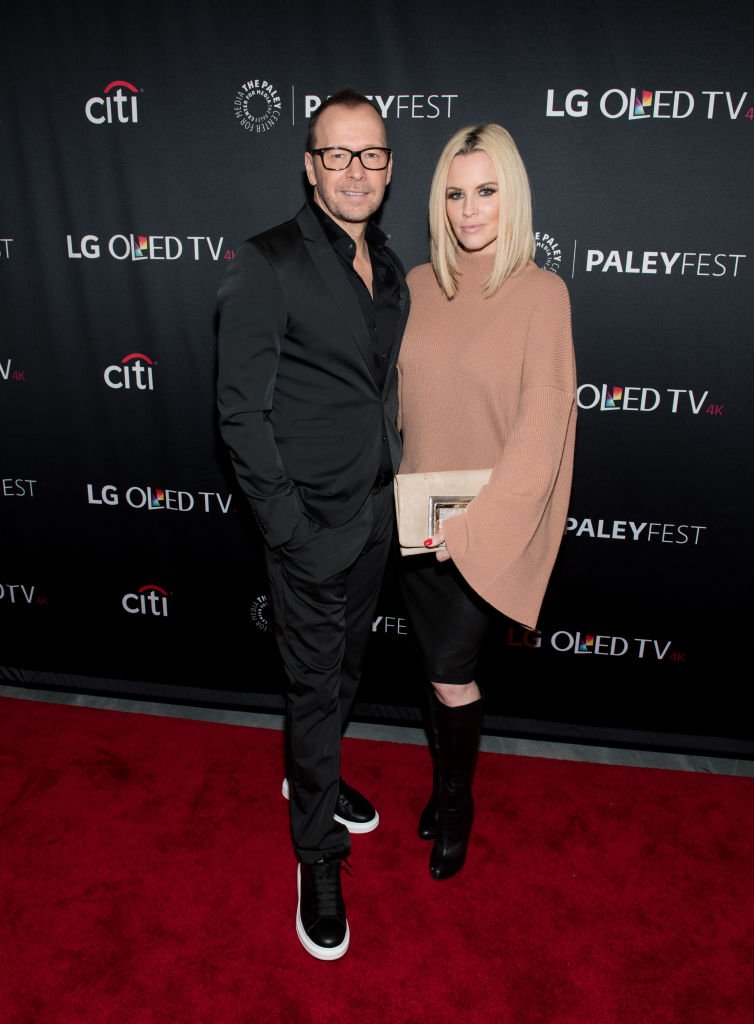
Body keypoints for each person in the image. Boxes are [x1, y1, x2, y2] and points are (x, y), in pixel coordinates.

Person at [216, 89, 409, 959]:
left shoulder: (395, 268)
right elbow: (239, 416)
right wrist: (289, 529)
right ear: (309, 163)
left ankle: (318, 779)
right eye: (338, 154)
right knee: (312, 679)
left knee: (348, 667)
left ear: (390, 166)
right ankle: (316, 852)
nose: (355, 170)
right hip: (309, 528)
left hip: (377, 514)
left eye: (370, 154)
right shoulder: (265, 260)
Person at [397, 123, 577, 880]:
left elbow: (543, 432)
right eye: (455, 194)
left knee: (449, 673)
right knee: (434, 672)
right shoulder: (413, 286)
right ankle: (446, 786)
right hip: (413, 522)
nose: (470, 211)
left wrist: (474, 532)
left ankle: (457, 800)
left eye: (486, 192)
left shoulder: (542, 294)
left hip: (484, 530)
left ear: (514, 198)